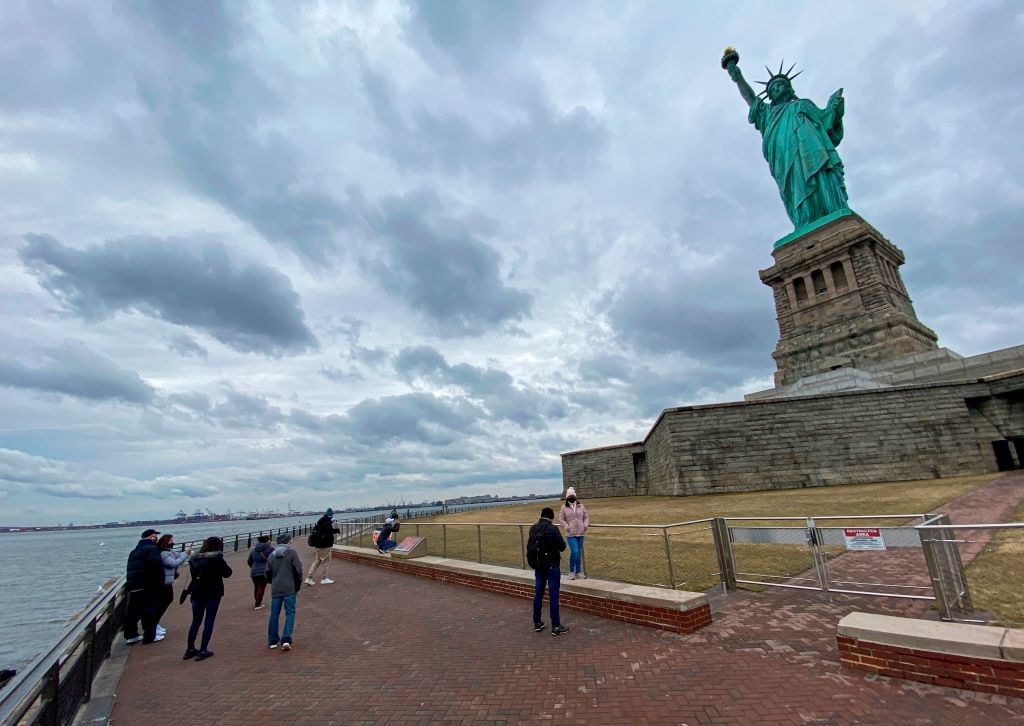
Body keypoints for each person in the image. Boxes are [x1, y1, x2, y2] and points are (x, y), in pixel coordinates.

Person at [724, 52, 848, 230]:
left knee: (823, 177)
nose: (776, 89)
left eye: (780, 85)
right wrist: (737, 78)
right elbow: (751, 99)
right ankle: (805, 222)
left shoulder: (803, 105)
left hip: (814, 154)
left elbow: (827, 123)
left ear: (790, 89)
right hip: (785, 159)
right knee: (796, 188)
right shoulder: (767, 114)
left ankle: (833, 211)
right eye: (772, 89)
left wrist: (834, 108)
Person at [184, 536, 232, 661]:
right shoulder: (216, 559)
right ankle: (203, 650)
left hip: (197, 592)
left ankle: (190, 649)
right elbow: (227, 573)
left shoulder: (194, 559)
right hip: (212, 592)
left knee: (195, 621)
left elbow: (194, 575)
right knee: (209, 621)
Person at [530, 507, 568, 636]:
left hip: (539, 566)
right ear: (551, 517)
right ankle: (556, 626)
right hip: (552, 565)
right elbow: (562, 546)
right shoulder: (552, 528)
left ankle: (537, 622)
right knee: (553, 596)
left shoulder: (533, 528)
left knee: (538, 595)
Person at [123, 528, 164, 645]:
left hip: (134, 585)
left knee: (133, 611)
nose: (156, 538)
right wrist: (160, 582)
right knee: (150, 610)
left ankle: (131, 635)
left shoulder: (134, 551)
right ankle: (150, 636)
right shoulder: (152, 549)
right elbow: (156, 567)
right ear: (152, 537)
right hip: (148, 585)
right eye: (155, 536)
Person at [265, 533, 304, 651]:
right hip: (289, 587)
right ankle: (286, 638)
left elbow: (267, 572)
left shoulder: (271, 555)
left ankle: (272, 640)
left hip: (276, 588)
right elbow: (298, 570)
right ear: (288, 541)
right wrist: (297, 586)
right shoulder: (291, 553)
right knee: (290, 613)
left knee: (274, 614)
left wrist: (274, 581)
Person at [155, 533, 191, 633]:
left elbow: (179, 555)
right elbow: (173, 563)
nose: (173, 543)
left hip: (167, 581)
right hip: (163, 582)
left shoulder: (169, 551)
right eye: (171, 541)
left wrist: (186, 552)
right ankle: (153, 624)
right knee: (163, 602)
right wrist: (186, 554)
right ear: (165, 542)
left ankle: (155, 623)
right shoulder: (163, 553)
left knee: (167, 600)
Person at [559, 487, 590, 580]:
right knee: (575, 551)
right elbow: (561, 518)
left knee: (579, 552)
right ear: (567, 497)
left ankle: (578, 572)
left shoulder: (581, 506)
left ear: (575, 496)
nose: (571, 497)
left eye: (573, 496)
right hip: (571, 534)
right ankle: (571, 572)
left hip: (581, 533)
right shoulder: (564, 507)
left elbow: (586, 517)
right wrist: (566, 526)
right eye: (570, 496)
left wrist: (585, 525)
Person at [305, 508, 340, 585]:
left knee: (317, 561)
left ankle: (309, 578)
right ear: (330, 516)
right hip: (324, 546)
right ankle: (324, 578)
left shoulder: (320, 521)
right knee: (326, 562)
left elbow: (325, 531)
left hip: (318, 545)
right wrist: (336, 530)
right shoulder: (327, 522)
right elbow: (329, 532)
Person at [247, 534, 274, 609]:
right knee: (262, 586)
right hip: (264, 570)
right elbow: (274, 559)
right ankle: (258, 604)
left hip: (254, 571)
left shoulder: (254, 550)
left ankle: (258, 601)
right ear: (267, 540)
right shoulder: (270, 549)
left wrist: (253, 567)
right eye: (269, 539)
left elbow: (249, 561)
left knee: (256, 587)